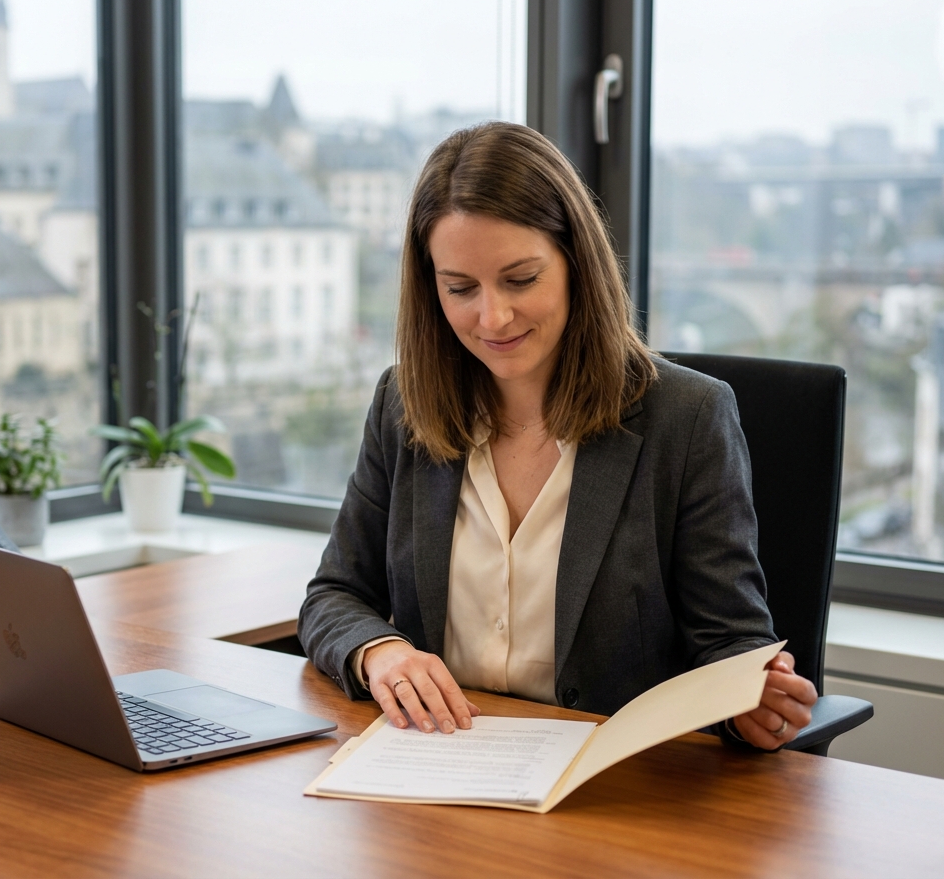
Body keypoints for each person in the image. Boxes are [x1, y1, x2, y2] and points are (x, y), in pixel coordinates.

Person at [297, 122, 816, 751]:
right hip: (437, 766)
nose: (492, 317)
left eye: (520, 280)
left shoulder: (687, 417)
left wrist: (749, 703)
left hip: (612, 787)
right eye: (460, 288)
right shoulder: (403, 404)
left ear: (576, 264)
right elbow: (335, 595)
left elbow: (729, 644)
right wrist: (379, 651)